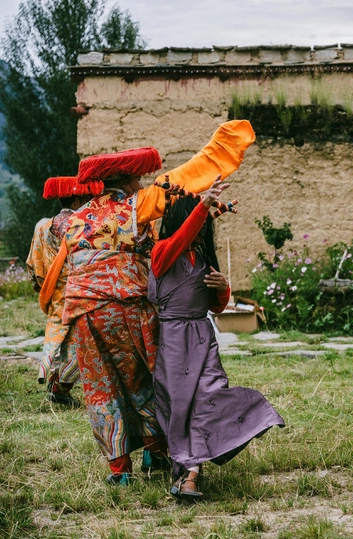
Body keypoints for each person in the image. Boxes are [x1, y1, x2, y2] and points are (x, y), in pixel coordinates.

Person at [46, 120, 256, 485]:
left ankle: (118, 470)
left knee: (101, 387)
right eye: (139, 179)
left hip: (81, 314)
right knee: (148, 380)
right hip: (127, 307)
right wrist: (226, 144)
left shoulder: (76, 219)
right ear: (127, 181)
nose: (143, 184)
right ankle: (157, 454)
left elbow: (62, 267)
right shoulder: (134, 205)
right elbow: (190, 175)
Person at [148, 180, 284, 500]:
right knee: (181, 407)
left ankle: (194, 471)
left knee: (210, 397)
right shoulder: (163, 253)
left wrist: (223, 286)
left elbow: (216, 307)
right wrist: (205, 204)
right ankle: (187, 473)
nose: (201, 230)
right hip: (171, 339)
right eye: (197, 222)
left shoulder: (203, 259)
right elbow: (180, 238)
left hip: (202, 336)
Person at [26, 175, 102, 407]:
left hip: (56, 294)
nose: (91, 201)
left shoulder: (43, 227)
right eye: (88, 197)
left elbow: (33, 265)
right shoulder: (82, 226)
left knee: (64, 341)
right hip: (80, 292)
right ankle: (61, 387)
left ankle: (57, 384)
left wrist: (44, 288)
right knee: (82, 343)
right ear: (78, 199)